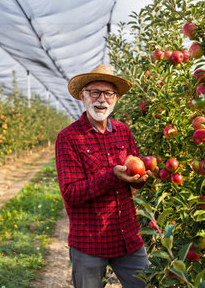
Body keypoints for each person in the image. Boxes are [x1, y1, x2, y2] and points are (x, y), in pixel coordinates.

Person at [55, 64, 151, 288]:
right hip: (89, 242)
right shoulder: (68, 138)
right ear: (83, 96)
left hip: (128, 238)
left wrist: (143, 178)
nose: (102, 99)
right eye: (95, 92)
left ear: (116, 99)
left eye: (108, 93)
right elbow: (70, 193)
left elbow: (136, 178)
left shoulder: (123, 131)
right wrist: (112, 176)